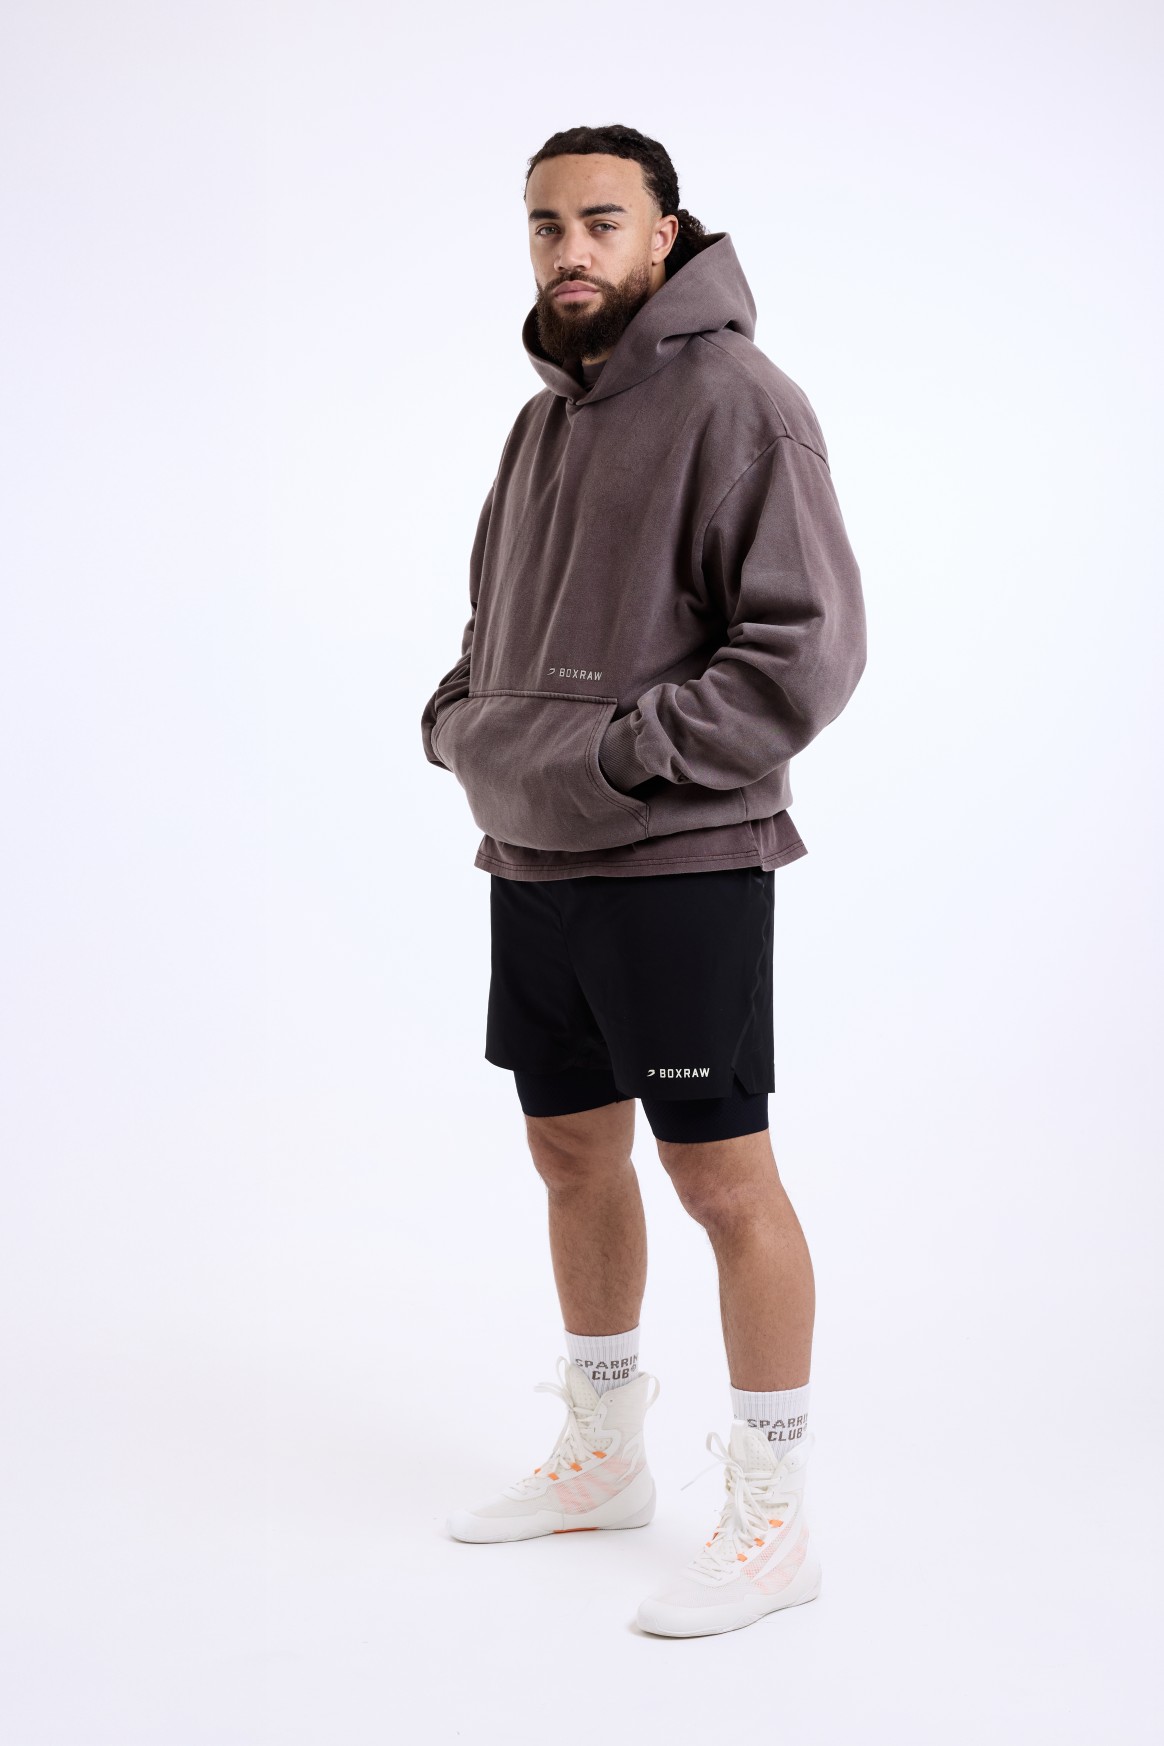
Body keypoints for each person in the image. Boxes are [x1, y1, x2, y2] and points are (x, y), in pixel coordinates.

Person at [420, 123, 867, 1638]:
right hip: (532, 857)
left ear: (665, 236)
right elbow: (491, 624)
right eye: (546, 225)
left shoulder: (745, 403)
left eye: (601, 221)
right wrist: (462, 722)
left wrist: (619, 760)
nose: (570, 251)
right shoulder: (540, 423)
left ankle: (775, 1515)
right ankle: (605, 1455)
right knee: (568, 1151)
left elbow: (806, 654)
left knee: (721, 1177)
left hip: (678, 862)